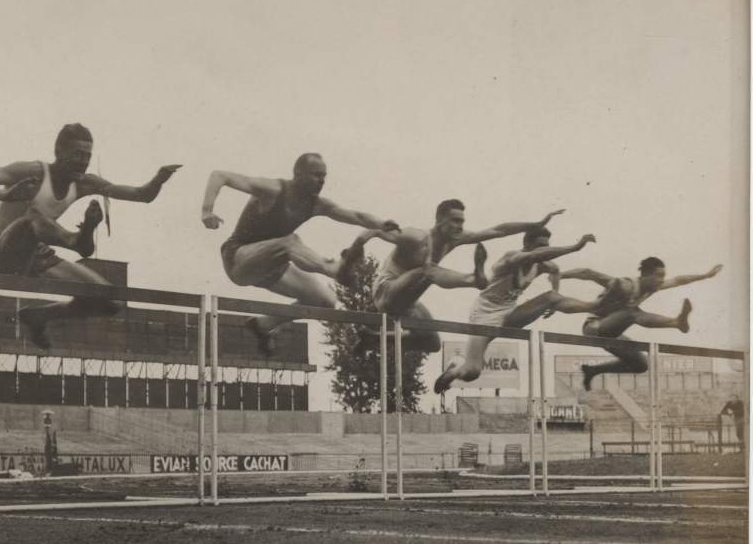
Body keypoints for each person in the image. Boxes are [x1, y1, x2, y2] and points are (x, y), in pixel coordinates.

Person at [0, 123, 180, 348]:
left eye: (87, 156)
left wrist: (158, 179)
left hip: (38, 255)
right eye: (77, 154)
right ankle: (76, 239)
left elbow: (141, 195)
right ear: (58, 151)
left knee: (109, 301)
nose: (82, 161)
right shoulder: (34, 172)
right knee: (34, 216)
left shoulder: (84, 183)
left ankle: (40, 317)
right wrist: (3, 195)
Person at [201, 153, 399, 354]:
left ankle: (262, 326)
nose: (321, 181)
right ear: (298, 174)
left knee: (325, 301)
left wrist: (382, 225)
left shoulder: (316, 204)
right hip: (238, 259)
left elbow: (355, 216)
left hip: (272, 267)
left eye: (324, 176)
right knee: (290, 242)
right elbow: (220, 176)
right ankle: (334, 269)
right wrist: (207, 211)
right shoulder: (273, 190)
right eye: (316, 175)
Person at [349, 201, 566, 353]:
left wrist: (535, 225)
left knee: (431, 343)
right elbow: (376, 229)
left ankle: (374, 340)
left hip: (408, 302)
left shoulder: (456, 239)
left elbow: (498, 231)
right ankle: (473, 279)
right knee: (428, 270)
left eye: (462, 221)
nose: (459, 227)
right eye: (454, 221)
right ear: (439, 220)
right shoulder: (417, 237)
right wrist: (358, 245)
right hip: (386, 292)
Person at [434, 228, 598, 393]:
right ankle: (454, 369)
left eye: (546, 246)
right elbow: (534, 256)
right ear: (526, 244)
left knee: (552, 297)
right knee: (472, 372)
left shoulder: (542, 265)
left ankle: (595, 306)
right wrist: (575, 247)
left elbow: (555, 271)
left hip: (509, 313)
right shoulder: (511, 258)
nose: (544, 250)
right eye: (539, 246)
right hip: (484, 314)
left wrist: (555, 296)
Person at [560, 258, 723, 390]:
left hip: (613, 331)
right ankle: (675, 322)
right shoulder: (626, 285)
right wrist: (559, 274)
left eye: (663, 276)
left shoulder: (653, 287)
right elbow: (588, 273)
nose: (662, 280)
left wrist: (706, 275)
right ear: (645, 275)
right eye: (658, 276)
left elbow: (680, 280)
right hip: (594, 327)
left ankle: (593, 370)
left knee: (640, 365)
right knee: (633, 312)